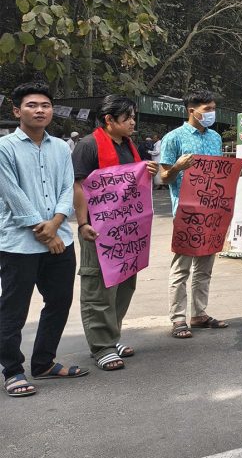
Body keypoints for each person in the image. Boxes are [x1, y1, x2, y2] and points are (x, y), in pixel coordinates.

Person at [0, 82, 84, 398]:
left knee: (59, 301)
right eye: (32, 105)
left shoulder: (61, 147)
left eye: (45, 105)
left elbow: (67, 188)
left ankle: (44, 362)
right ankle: (12, 370)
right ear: (16, 111)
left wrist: (57, 223)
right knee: (13, 309)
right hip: (18, 243)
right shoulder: (5, 148)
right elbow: (12, 195)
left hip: (61, 238)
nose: (39, 110)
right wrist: (45, 232)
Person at [72, 95, 158, 371]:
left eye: (133, 116)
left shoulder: (130, 146)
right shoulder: (88, 145)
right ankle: (101, 346)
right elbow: (79, 186)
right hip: (98, 230)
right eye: (127, 117)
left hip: (127, 230)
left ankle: (112, 336)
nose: (133, 122)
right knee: (99, 288)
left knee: (124, 284)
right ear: (109, 120)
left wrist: (148, 170)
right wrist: (82, 223)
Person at [160, 90, 242, 339]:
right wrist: (177, 167)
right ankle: (178, 319)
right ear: (192, 111)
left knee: (205, 267)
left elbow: (218, 173)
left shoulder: (215, 138)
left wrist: (240, 171)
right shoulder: (173, 138)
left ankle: (199, 314)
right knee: (181, 268)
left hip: (213, 210)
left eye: (213, 108)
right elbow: (163, 177)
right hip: (186, 211)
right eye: (208, 109)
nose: (212, 113)